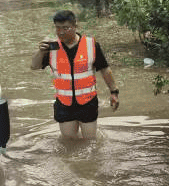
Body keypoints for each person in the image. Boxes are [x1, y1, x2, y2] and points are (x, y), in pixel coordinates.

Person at [30, 10, 119, 138]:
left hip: (87, 103)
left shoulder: (91, 45)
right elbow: (34, 66)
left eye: (65, 28)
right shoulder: (51, 48)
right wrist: (40, 52)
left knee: (91, 142)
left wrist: (114, 92)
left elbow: (105, 69)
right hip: (64, 103)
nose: (60, 32)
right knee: (68, 143)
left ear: (75, 26)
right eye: (58, 28)